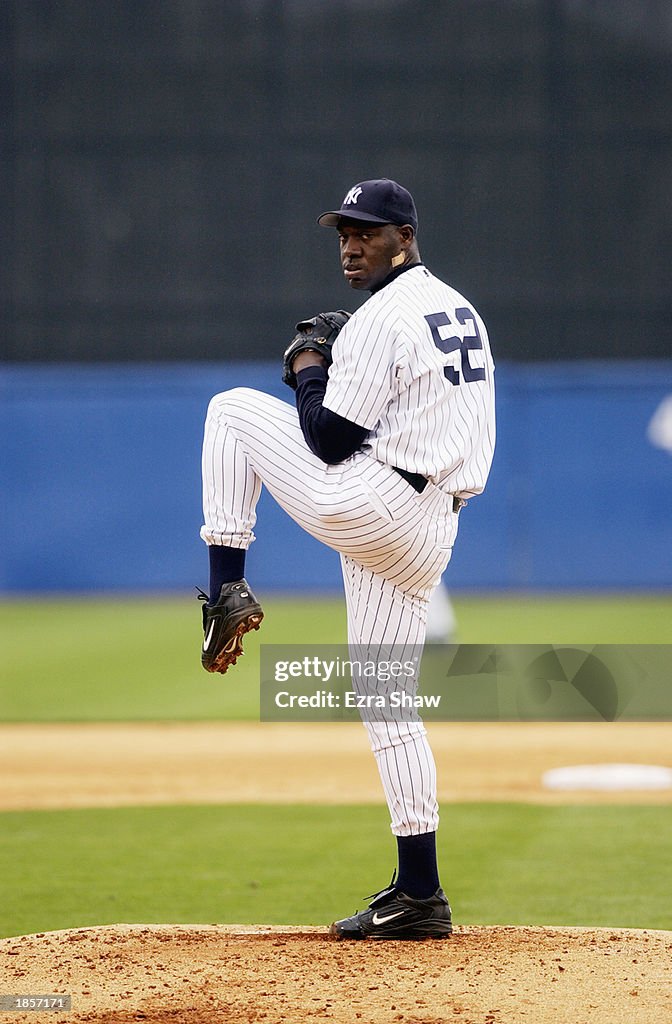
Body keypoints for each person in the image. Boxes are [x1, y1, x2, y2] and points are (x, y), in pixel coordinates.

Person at [199, 178, 496, 939]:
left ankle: (225, 591)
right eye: (343, 233)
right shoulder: (458, 308)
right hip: (433, 525)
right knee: (389, 708)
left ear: (405, 234)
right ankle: (420, 895)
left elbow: (328, 440)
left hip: (377, 507)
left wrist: (306, 364)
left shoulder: (380, 318)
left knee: (230, 413)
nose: (351, 245)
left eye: (366, 232)